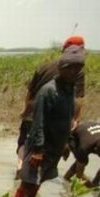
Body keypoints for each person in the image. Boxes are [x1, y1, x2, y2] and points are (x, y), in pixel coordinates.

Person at [13, 45, 86, 197]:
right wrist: (38, 150)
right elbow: (38, 121)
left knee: (38, 181)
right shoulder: (48, 91)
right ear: (62, 69)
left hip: (55, 146)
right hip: (41, 146)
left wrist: (67, 142)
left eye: (79, 69)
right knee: (28, 183)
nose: (76, 72)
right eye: (72, 68)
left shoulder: (69, 90)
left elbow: (68, 118)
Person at [16, 36, 87, 173]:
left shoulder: (45, 66)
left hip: (31, 114)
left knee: (24, 144)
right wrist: (76, 118)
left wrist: (25, 111)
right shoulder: (76, 71)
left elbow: (30, 93)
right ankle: (26, 174)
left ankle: (20, 167)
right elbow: (78, 99)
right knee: (39, 157)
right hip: (49, 120)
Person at [63, 120, 100, 187]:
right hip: (74, 135)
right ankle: (66, 179)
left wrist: (96, 182)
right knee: (81, 162)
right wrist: (91, 186)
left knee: (81, 160)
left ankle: (65, 179)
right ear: (96, 149)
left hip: (89, 128)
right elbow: (79, 174)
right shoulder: (84, 147)